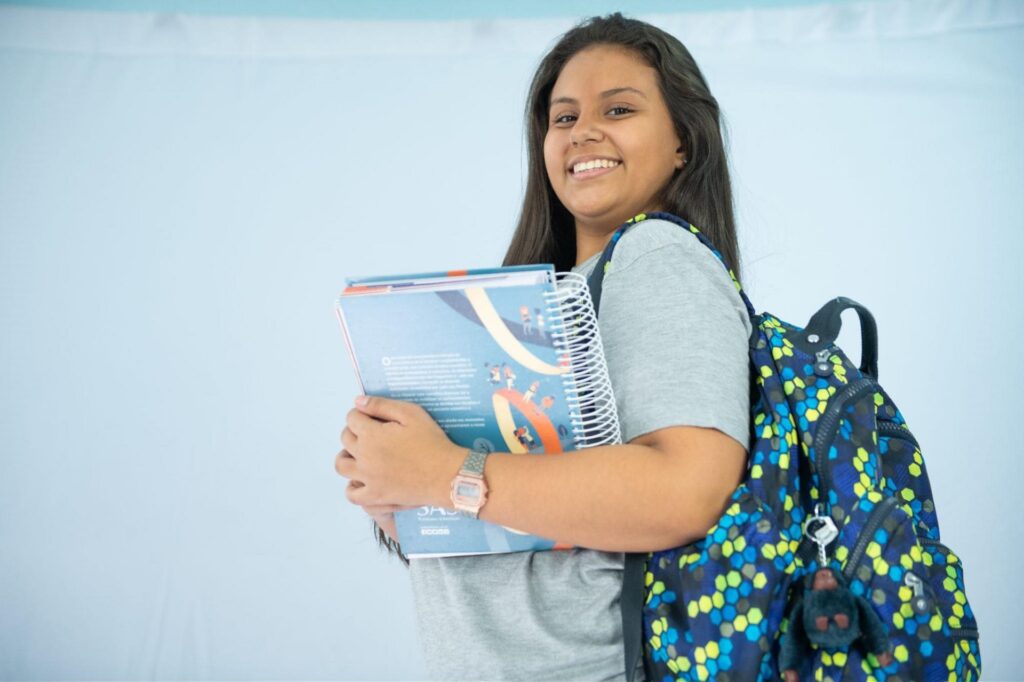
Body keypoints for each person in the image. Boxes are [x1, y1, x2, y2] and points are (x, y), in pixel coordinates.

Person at [334, 13, 752, 682]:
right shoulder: (551, 299)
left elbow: (686, 490)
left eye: (618, 108)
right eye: (562, 118)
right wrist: (397, 492)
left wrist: (442, 473)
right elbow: (516, 523)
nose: (583, 130)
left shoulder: (658, 256)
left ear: (683, 143)